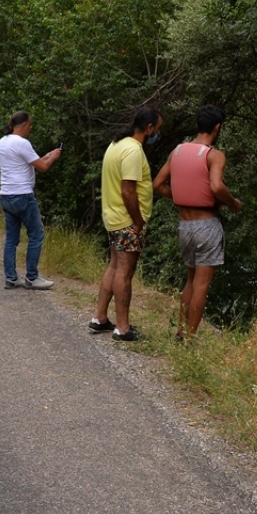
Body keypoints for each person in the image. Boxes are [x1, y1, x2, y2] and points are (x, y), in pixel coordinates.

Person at [153, 105, 242, 338]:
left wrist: (184, 196)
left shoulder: (178, 151)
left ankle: (181, 331)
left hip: (185, 226)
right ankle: (190, 340)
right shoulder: (214, 155)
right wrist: (232, 203)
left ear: (196, 126)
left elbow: (158, 185)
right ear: (217, 127)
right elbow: (216, 186)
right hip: (207, 225)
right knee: (202, 284)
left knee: (190, 281)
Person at [89, 108, 163, 341]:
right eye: (158, 129)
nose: (158, 134)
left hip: (113, 217)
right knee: (125, 271)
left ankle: (100, 318)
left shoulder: (116, 145)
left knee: (114, 266)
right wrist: (138, 221)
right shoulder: (132, 151)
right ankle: (122, 327)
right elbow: (128, 190)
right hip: (127, 221)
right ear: (149, 128)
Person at [0, 111, 61, 289]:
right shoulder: (22, 143)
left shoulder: (3, 141)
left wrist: (46, 155)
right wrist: (53, 157)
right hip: (23, 194)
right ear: (23, 125)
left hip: (6, 193)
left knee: (11, 239)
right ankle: (32, 277)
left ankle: (11, 277)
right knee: (36, 234)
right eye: (30, 125)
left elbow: (29, 162)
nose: (30, 129)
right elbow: (43, 167)